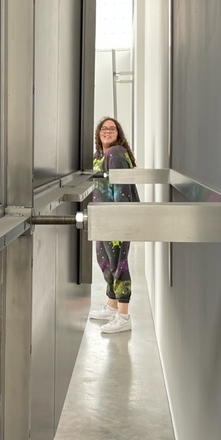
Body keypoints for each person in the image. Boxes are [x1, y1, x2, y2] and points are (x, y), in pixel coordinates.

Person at [88, 117, 139, 334]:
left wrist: (120, 219)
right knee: (105, 261)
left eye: (112, 128)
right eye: (103, 128)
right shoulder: (100, 155)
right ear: (98, 133)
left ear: (118, 134)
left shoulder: (116, 153)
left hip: (115, 219)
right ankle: (111, 305)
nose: (107, 131)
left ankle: (123, 315)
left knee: (119, 264)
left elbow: (121, 188)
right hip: (103, 219)